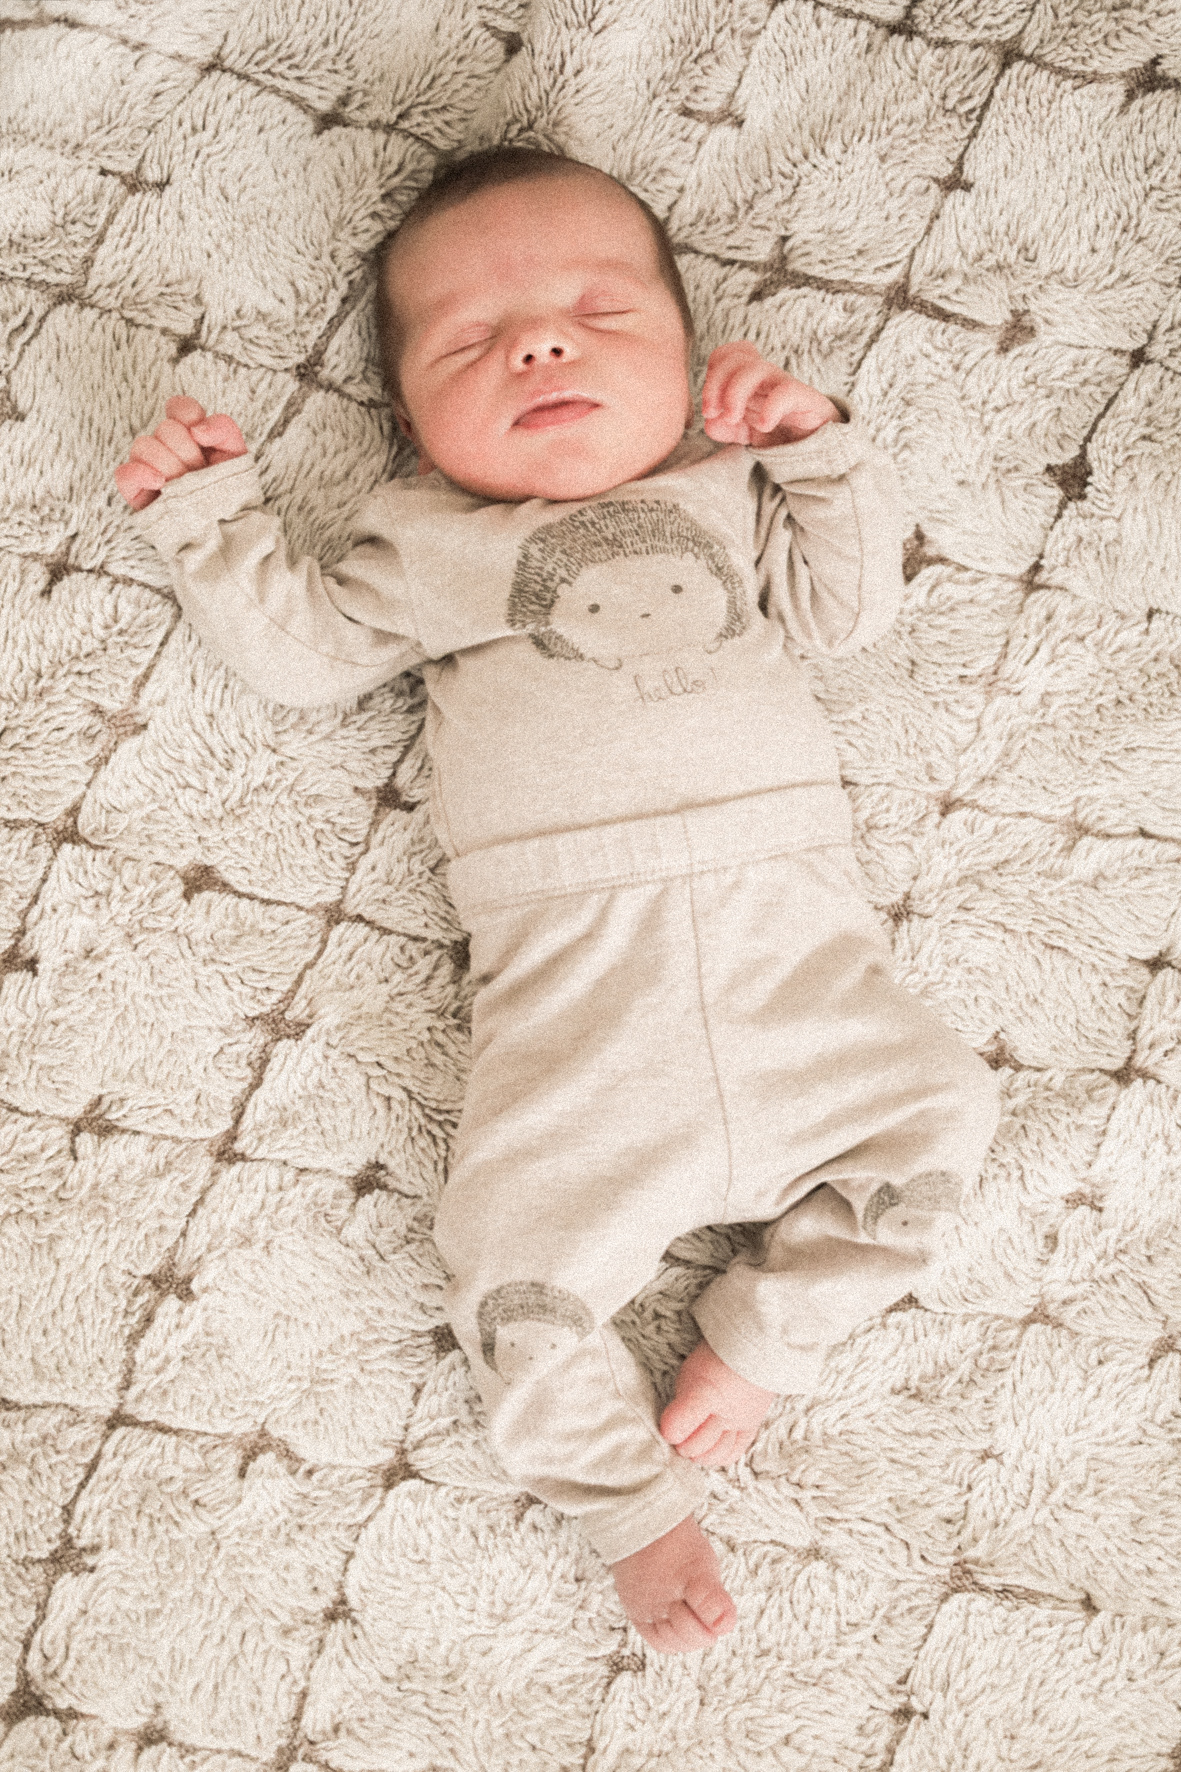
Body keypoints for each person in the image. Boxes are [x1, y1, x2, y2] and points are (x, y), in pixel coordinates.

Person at [115, 146, 1001, 1655]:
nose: (539, 345)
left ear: (691, 364)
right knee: (510, 1275)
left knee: (944, 1118)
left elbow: (849, 611)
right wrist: (209, 516)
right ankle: (629, 1508)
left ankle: (766, 1337)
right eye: (471, 340)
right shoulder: (423, 544)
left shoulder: (730, 493)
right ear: (411, 422)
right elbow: (303, 655)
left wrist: (815, 454)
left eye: (599, 314)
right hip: (578, 1018)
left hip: (801, 970)